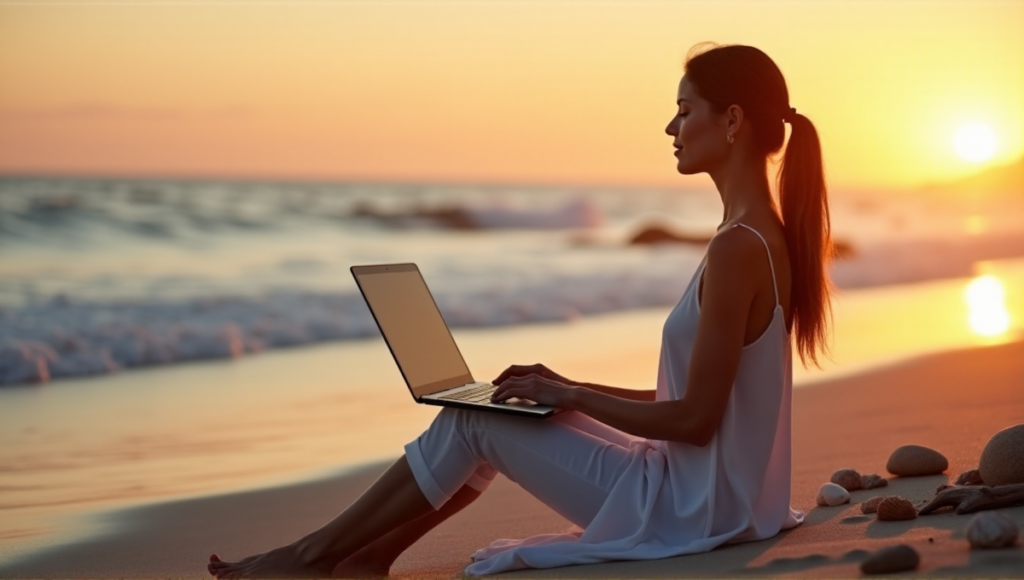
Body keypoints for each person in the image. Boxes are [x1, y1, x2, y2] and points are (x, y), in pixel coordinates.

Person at [207, 42, 832, 579]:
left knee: (474, 422)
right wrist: (567, 387)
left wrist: (576, 401)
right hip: (715, 496)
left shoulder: (737, 248)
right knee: (498, 407)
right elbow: (699, 402)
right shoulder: (756, 236)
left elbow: (694, 421)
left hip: (686, 508)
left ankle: (310, 556)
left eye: (682, 110)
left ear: (732, 121)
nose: (670, 128)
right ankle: (364, 558)